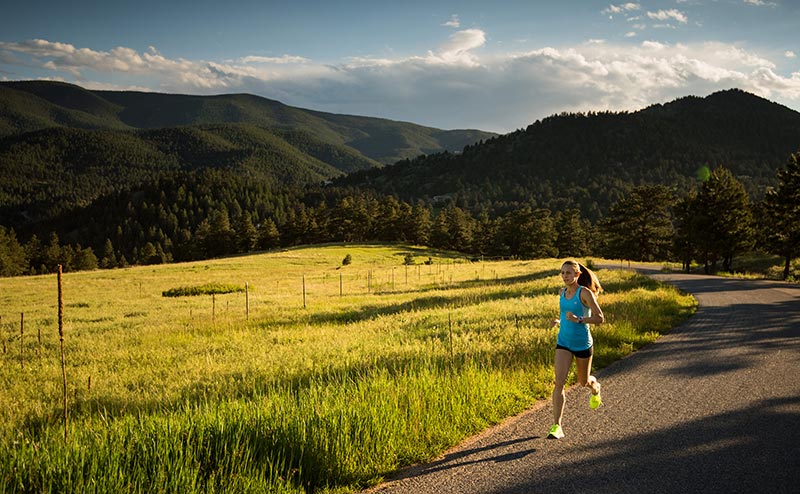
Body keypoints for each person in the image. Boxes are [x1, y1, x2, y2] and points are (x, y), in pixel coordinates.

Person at [547, 260, 605, 439]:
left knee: (583, 381)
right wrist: (559, 321)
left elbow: (600, 318)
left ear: (577, 275)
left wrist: (579, 319)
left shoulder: (585, 293)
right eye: (563, 273)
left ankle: (595, 387)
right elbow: (565, 315)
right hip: (563, 342)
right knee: (559, 382)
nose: (565, 276)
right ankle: (557, 426)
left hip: (582, 344)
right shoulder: (562, 292)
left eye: (569, 273)